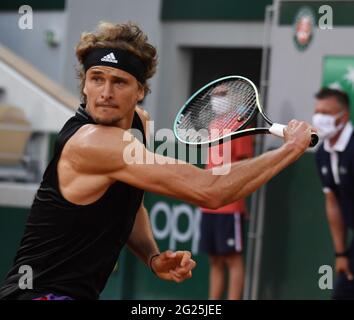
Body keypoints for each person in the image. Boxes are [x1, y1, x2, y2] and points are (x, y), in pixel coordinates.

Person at [0, 21, 313, 300]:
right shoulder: (92, 142)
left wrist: (151, 256)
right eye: (96, 78)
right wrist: (289, 150)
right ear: (84, 84)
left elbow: (130, 203)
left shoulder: (139, 122)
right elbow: (212, 190)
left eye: (119, 82)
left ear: (140, 91)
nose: (105, 92)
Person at [199, 134, 253, 300]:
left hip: (230, 206)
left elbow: (248, 167)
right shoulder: (213, 124)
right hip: (208, 205)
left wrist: (242, 201)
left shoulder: (242, 127)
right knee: (214, 260)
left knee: (232, 260)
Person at [313, 88, 354, 300]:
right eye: (317, 111)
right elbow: (332, 202)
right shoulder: (321, 154)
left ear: (343, 117)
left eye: (326, 113)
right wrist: (341, 254)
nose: (320, 118)